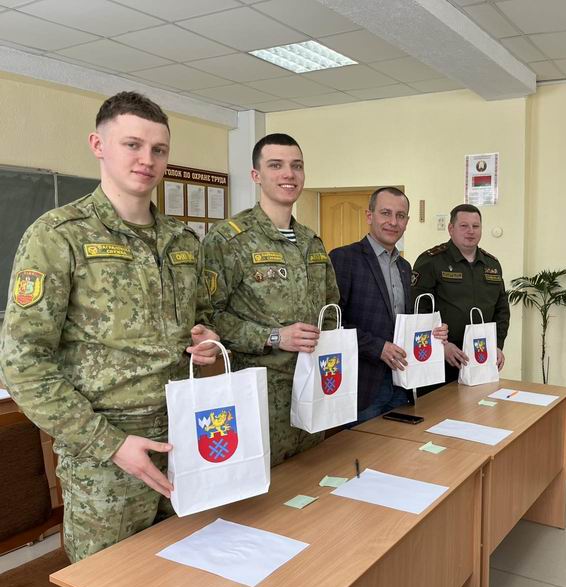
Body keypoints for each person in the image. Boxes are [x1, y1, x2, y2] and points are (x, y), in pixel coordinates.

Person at [0, 91, 220, 562]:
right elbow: (22, 363)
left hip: (184, 436)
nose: (147, 160)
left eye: (159, 150)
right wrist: (109, 444)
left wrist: (205, 339)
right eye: (132, 145)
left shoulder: (182, 240)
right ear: (98, 145)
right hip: (107, 456)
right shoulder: (58, 236)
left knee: (188, 572)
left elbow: (199, 320)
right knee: (110, 582)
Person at [203, 133, 339, 466]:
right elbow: (208, 317)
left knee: (314, 478)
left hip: (313, 387)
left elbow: (331, 309)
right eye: (276, 165)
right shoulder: (229, 239)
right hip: (261, 395)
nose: (288, 174)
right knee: (269, 487)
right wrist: (274, 336)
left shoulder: (311, 242)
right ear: (256, 175)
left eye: (296, 166)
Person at [329, 187, 447, 423]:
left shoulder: (404, 267)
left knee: (399, 444)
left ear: (407, 222)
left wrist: (432, 332)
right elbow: (333, 325)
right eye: (385, 213)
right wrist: (377, 347)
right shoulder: (344, 258)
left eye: (400, 216)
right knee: (365, 446)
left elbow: (404, 321)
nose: (393, 222)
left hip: (401, 381)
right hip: (363, 385)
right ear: (369, 215)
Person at [411, 204, 509, 392]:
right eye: (464, 226)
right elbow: (418, 311)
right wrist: (442, 346)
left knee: (480, 405)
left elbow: (502, 310)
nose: (471, 231)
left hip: (481, 356)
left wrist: (497, 345)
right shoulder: (431, 261)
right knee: (439, 408)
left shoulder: (492, 264)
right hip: (442, 359)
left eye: (476, 226)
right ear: (451, 228)